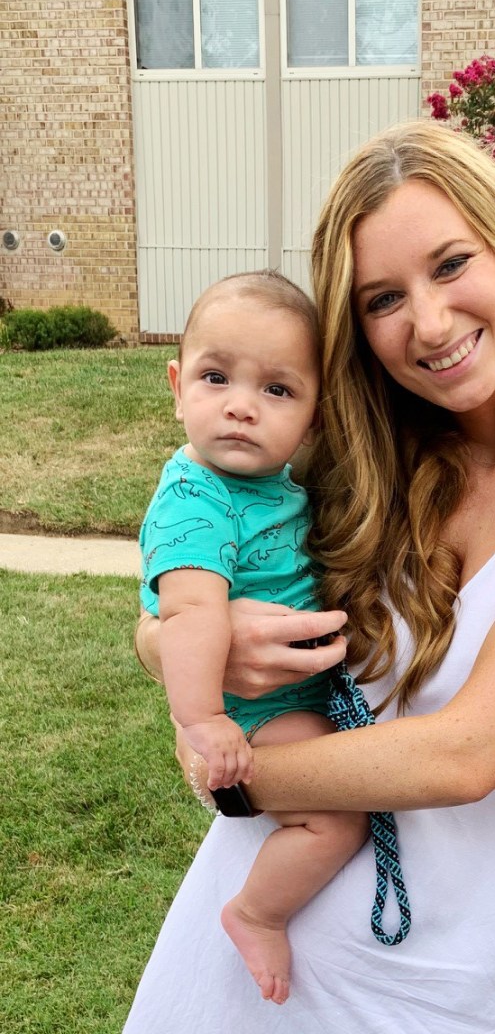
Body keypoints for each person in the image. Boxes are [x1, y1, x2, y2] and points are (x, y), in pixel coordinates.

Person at [125, 120, 495, 1034]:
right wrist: (177, 646)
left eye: (449, 264)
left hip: (431, 989)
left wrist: (226, 775)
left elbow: (466, 755)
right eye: (382, 298)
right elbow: (175, 597)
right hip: (243, 950)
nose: (429, 323)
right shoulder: (366, 467)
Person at [137, 270, 371, 1006]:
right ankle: (258, 911)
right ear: (176, 386)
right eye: (215, 377)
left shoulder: (276, 489)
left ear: (314, 419)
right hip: (249, 714)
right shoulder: (195, 499)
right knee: (337, 820)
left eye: (277, 390)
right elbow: (191, 613)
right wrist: (202, 719)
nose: (240, 406)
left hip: (280, 697)